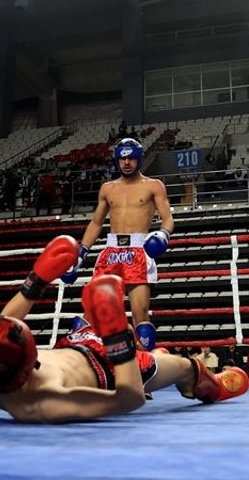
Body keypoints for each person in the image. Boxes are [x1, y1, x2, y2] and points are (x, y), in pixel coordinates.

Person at [0, 235, 248, 423]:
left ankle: (155, 353)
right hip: (115, 367)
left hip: (77, 343)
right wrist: (116, 337)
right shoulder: (46, 403)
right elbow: (128, 399)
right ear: (28, 366)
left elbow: (3, 325)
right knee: (183, 367)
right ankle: (214, 385)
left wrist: (35, 282)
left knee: (95, 305)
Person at [64, 137, 175, 352]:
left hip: (138, 251)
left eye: (131, 159)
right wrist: (81, 253)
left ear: (139, 159)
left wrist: (163, 234)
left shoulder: (153, 186)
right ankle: (90, 364)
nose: (126, 163)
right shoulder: (107, 188)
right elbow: (96, 223)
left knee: (140, 314)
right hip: (111, 252)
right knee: (94, 309)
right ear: (117, 160)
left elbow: (168, 218)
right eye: (122, 159)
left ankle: (144, 375)